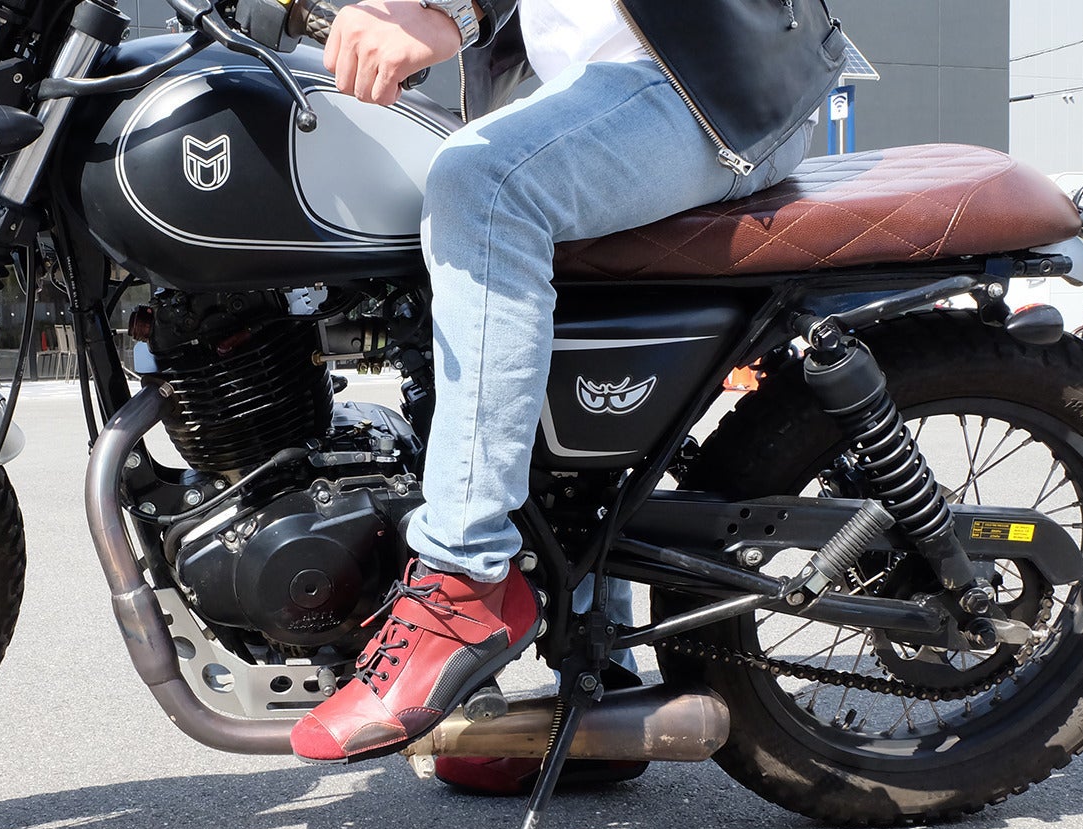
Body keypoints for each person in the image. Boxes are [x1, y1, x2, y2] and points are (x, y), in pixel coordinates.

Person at [288, 0, 834, 783]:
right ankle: (595, 679)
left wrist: (446, 11)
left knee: (483, 184)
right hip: (605, 85)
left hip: (703, 81)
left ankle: (462, 582)